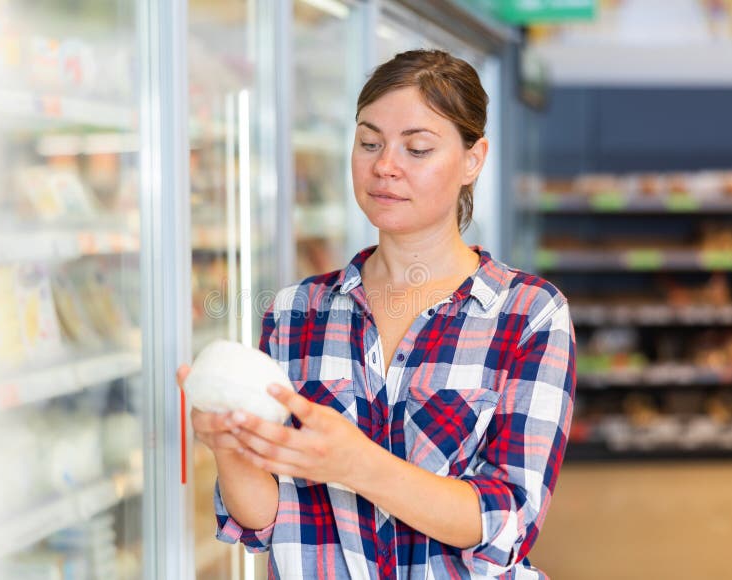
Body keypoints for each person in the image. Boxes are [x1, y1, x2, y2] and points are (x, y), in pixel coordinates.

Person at [177, 49, 576, 579]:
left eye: (416, 148)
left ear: (473, 159)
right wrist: (230, 448)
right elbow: (266, 522)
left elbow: (509, 522)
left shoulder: (528, 314)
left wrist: (358, 465)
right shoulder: (295, 312)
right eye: (369, 143)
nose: (384, 166)